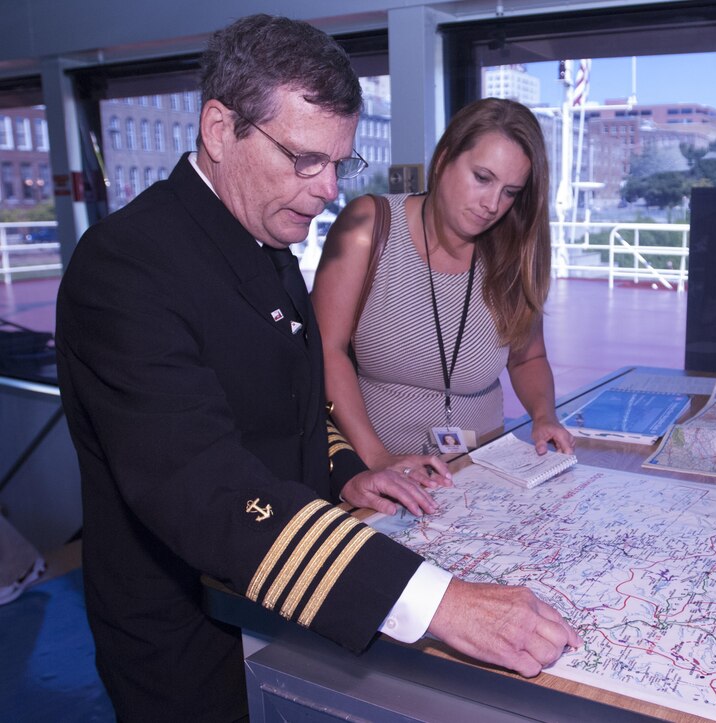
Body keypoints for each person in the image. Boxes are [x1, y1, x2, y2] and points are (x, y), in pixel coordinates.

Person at [55, 15, 579, 722]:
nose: (328, 188)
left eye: (339, 163)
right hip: (188, 631)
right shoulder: (126, 268)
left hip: (286, 598)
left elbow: (294, 405)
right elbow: (207, 485)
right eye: (305, 159)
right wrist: (438, 601)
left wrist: (348, 472)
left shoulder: (265, 242)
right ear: (219, 129)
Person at [311, 98, 575, 475]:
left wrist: (544, 415)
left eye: (510, 191)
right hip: (376, 468)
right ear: (443, 159)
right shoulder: (367, 228)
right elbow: (326, 349)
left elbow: (528, 357)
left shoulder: (514, 252)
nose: (492, 204)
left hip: (481, 470)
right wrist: (377, 458)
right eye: (482, 178)